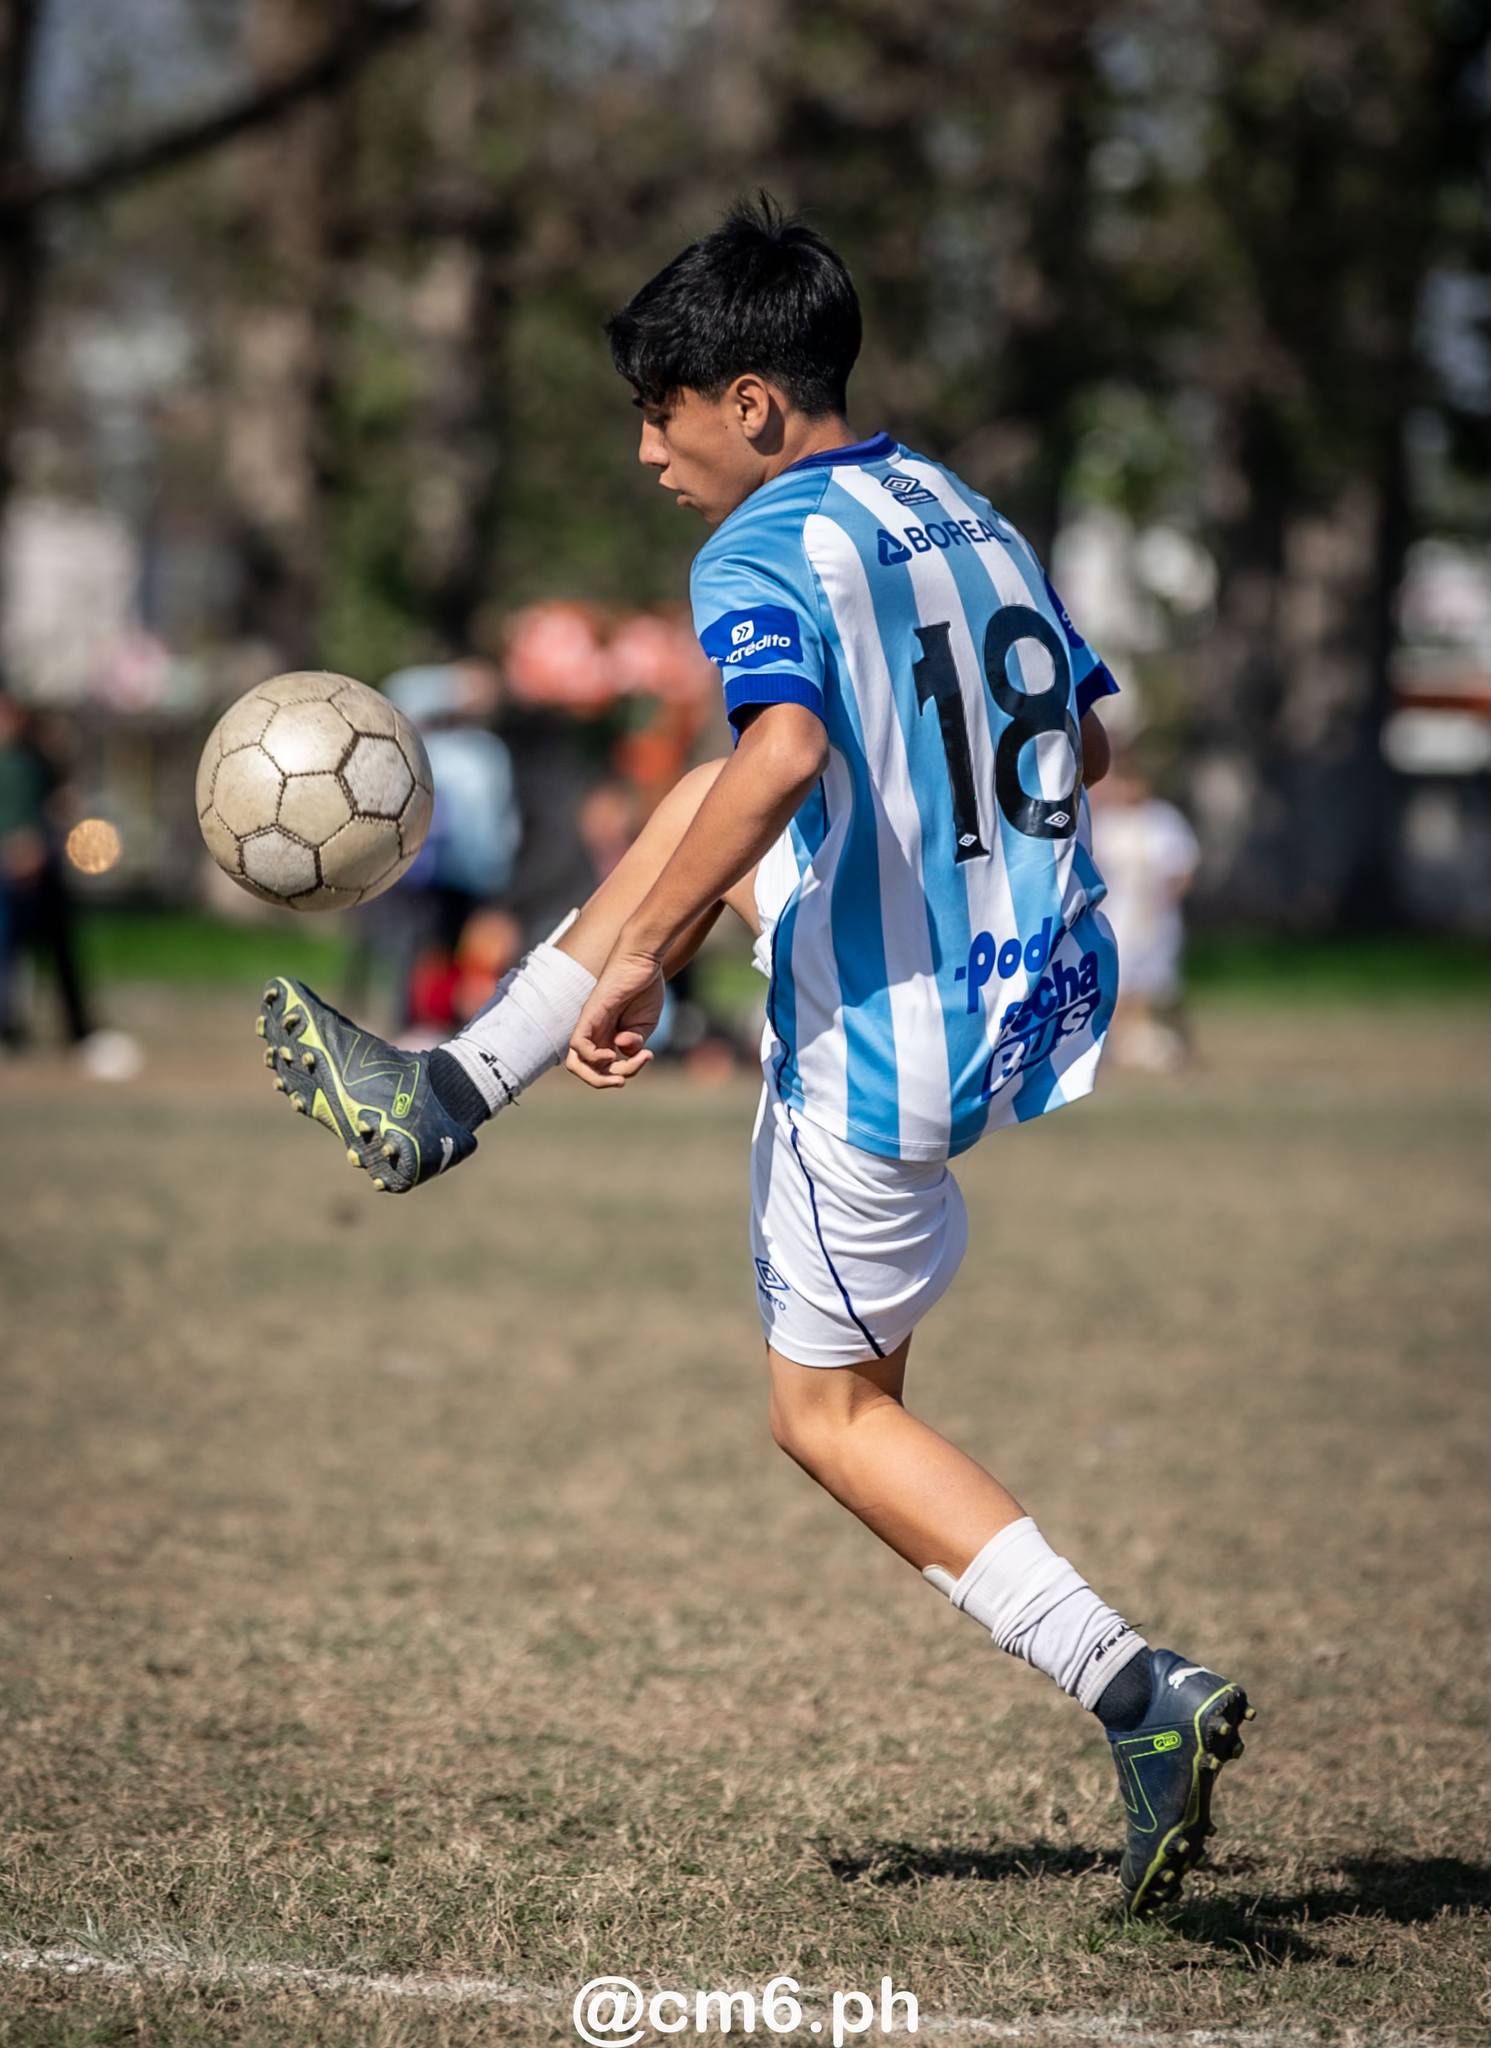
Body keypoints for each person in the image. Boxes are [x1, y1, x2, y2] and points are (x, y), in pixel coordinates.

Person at [257, 197, 1253, 1919]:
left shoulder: (764, 539)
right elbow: (1083, 733)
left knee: (831, 1412)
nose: (648, 450)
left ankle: (1135, 1687)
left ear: (754, 405)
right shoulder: (967, 506)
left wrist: (642, 958)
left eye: (663, 410)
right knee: (691, 809)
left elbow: (788, 743)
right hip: (1018, 985)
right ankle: (442, 1096)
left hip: (881, 1041)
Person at [1092, 755, 1201, 1073]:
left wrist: (1166, 898)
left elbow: (1182, 866)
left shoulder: (1163, 820)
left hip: (1156, 915)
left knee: (1161, 981)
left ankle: (1172, 1039)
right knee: (1122, 980)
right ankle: (1124, 1043)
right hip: (1119, 913)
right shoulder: (1107, 823)